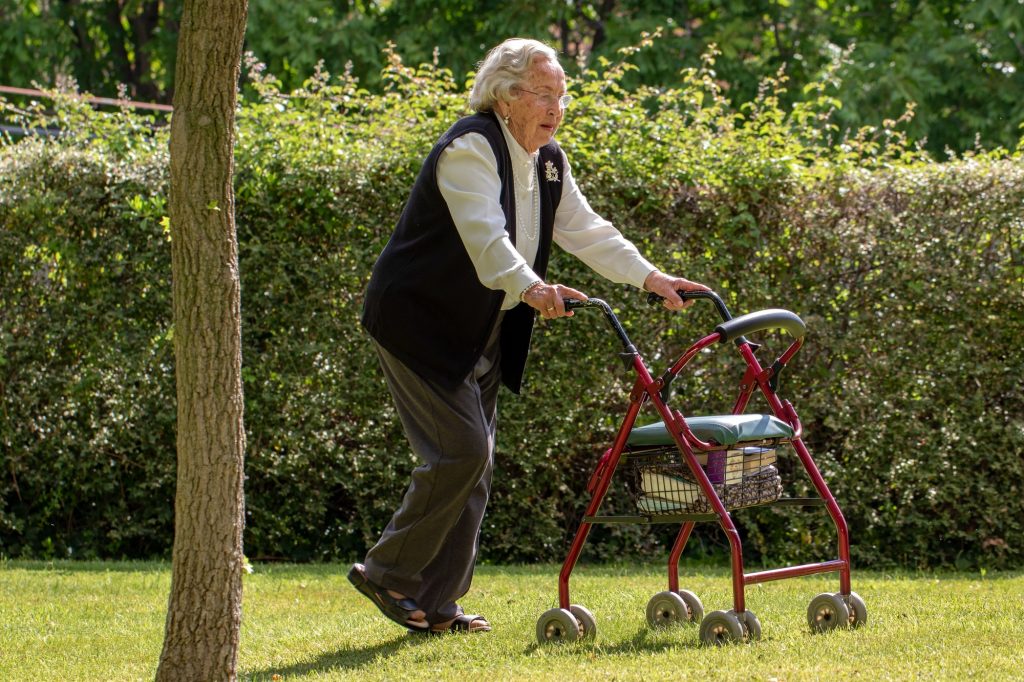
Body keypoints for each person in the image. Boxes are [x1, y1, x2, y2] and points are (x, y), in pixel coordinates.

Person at [349, 37, 709, 636]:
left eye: (562, 97)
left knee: (474, 464)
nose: (556, 108)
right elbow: (487, 240)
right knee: (462, 452)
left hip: (481, 328)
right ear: (507, 95)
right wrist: (533, 286)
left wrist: (650, 277)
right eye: (545, 95)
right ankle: (386, 571)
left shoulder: (547, 160)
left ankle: (437, 605)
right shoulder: (470, 148)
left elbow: (586, 230)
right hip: (417, 324)